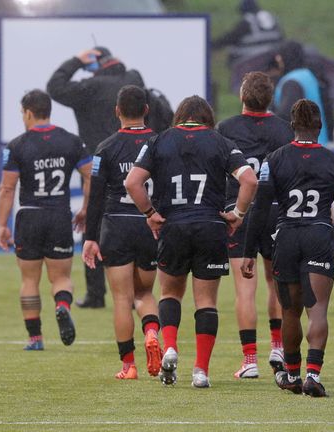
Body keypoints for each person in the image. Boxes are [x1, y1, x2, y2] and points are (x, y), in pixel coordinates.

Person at [125, 96, 258, 388]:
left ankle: (170, 347)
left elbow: (132, 182)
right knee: (206, 301)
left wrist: (150, 213)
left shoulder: (159, 141)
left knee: (170, 294)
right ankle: (201, 371)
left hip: (172, 226)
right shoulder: (220, 141)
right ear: (206, 118)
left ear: (179, 117)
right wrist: (237, 214)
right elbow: (250, 181)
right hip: (211, 226)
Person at [241, 99, 334, 397]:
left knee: (289, 311)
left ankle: (293, 375)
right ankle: (313, 374)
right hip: (318, 235)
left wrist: (248, 251)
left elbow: (260, 209)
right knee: (318, 308)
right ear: (320, 126)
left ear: (292, 127)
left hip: (285, 236)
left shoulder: (274, 160)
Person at [47, 46, 145, 308]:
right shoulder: (132, 78)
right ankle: (139, 289)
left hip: (97, 161)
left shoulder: (88, 88)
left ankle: (95, 293)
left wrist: (76, 60)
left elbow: (54, 86)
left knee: (93, 224)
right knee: (136, 218)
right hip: (137, 161)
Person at [0, 90, 91, 350]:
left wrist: (2, 225)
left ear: (28, 112)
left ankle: (35, 338)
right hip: (59, 216)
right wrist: (84, 209)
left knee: (29, 280)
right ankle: (62, 305)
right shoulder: (72, 142)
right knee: (61, 278)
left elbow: (7, 188)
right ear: (48, 111)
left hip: (29, 215)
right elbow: (90, 177)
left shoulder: (17, 145)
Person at [81, 85, 162, 380]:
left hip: (115, 226)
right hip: (149, 226)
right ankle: (152, 332)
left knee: (121, 299)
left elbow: (96, 197)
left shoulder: (106, 148)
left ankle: (129, 366)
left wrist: (90, 237)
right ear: (146, 110)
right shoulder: (159, 143)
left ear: (117, 111)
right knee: (145, 292)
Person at [216, 72, 294, 379]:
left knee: (244, 288)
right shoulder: (284, 129)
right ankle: (277, 346)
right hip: (277, 211)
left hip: (242, 212)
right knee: (277, 282)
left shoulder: (226, 128)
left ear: (241, 96)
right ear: (270, 98)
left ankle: (250, 360)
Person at [272, 40, 334, 144]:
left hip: (302, 149)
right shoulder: (308, 75)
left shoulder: (292, 81)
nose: (278, 59)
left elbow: (286, 115)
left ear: (285, 57)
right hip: (318, 143)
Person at [211, 0, 284, 65]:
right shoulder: (272, 19)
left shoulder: (247, 22)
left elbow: (229, 38)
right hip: (273, 61)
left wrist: (211, 45)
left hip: (250, 62)